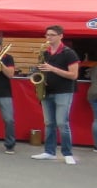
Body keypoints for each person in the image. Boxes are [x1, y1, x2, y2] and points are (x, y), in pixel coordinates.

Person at [32, 25, 80, 164]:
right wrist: (42, 78)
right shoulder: (45, 53)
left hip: (63, 92)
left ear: (60, 36)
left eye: (52, 35)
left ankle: (67, 153)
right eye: (47, 35)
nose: (49, 38)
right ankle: (49, 152)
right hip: (48, 91)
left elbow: (73, 75)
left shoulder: (69, 53)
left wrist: (52, 68)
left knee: (62, 123)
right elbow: (43, 71)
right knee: (49, 123)